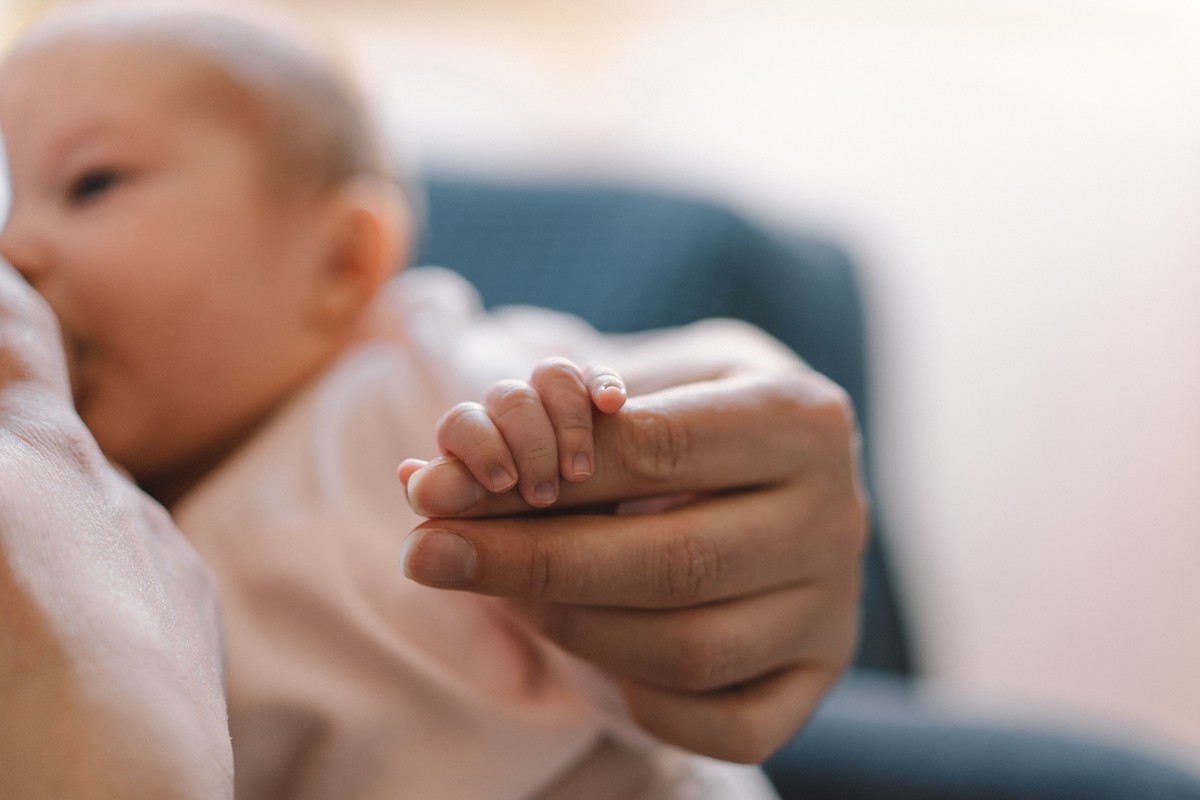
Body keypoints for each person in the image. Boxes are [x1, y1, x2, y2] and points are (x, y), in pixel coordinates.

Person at [0, 2, 868, 798]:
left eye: (90, 184)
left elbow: (666, 465)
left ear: (339, 263)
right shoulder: (82, 506)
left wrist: (572, 449)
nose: (18, 249)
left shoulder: (421, 391)